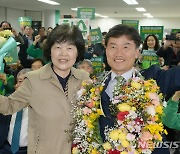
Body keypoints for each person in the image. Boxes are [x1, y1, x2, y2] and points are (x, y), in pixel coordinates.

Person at [0, 24, 89, 154]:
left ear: (78, 52)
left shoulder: (84, 79)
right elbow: (9, 105)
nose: (63, 53)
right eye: (58, 47)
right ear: (50, 50)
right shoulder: (34, 79)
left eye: (70, 48)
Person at [98, 24, 170, 154]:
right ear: (106, 50)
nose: (118, 53)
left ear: (137, 52)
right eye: (113, 47)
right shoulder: (94, 87)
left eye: (126, 47)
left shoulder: (150, 88)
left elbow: (156, 139)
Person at [0, 68, 31, 154]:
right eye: (20, 81)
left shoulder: (42, 106)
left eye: (27, 81)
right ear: (16, 85)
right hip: (5, 148)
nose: (23, 85)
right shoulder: (6, 101)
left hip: (28, 150)